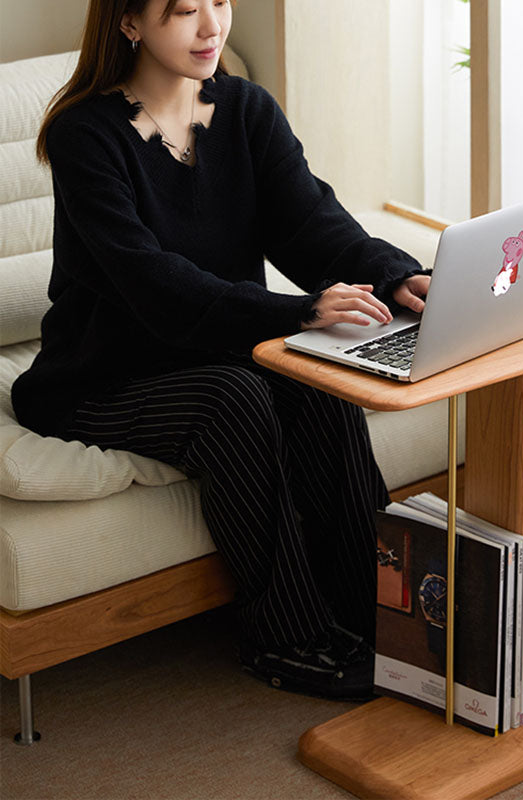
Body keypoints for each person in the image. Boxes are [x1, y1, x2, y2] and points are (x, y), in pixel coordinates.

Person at [11, 0, 431, 699]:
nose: (212, 27)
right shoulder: (85, 134)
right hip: (101, 376)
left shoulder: (245, 110)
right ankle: (287, 636)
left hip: (210, 349)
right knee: (235, 398)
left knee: (316, 385)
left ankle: (380, 610)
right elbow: (151, 282)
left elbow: (310, 221)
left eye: (220, 3)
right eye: (183, 11)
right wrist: (299, 312)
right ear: (129, 23)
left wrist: (397, 273)